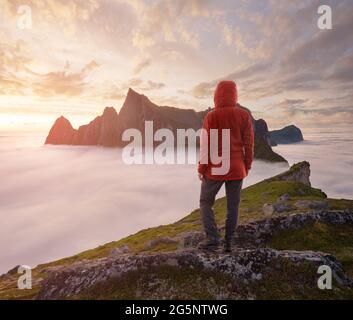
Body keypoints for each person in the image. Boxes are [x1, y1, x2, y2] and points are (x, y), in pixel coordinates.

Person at [197, 80, 254, 253]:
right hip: (237, 168)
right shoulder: (244, 115)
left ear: (217, 94)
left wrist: (202, 168)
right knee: (233, 206)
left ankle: (213, 239)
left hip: (216, 167)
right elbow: (249, 144)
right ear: (235, 94)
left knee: (205, 202)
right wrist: (247, 166)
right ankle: (229, 244)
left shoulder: (212, 116)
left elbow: (206, 145)